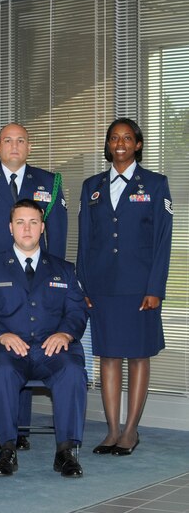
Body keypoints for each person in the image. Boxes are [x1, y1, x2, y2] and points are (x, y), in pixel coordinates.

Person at [0, 122, 69, 451]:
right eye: (8, 141)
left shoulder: (48, 182)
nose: (14, 146)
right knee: (0, 349)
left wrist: (57, 282)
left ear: (29, 147)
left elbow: (57, 236)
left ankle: (19, 429)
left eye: (21, 141)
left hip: (35, 281)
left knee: (29, 343)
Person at [0, 199, 88, 478]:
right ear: (10, 228)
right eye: (20, 222)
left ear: (42, 227)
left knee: (72, 371)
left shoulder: (64, 269)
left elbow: (77, 311)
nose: (27, 229)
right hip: (6, 350)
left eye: (33, 222)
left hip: (51, 349)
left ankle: (65, 452)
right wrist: (1, 334)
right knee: (3, 371)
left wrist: (65, 333)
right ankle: (7, 449)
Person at [77, 118, 173, 456]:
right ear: (108, 144)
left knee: (138, 355)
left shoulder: (156, 184)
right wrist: (83, 284)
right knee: (109, 355)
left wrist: (155, 287)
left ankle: (131, 430)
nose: (120, 143)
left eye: (127, 138)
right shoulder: (92, 186)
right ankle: (112, 430)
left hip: (139, 286)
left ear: (138, 144)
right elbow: (85, 239)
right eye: (115, 138)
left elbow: (163, 240)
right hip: (102, 285)